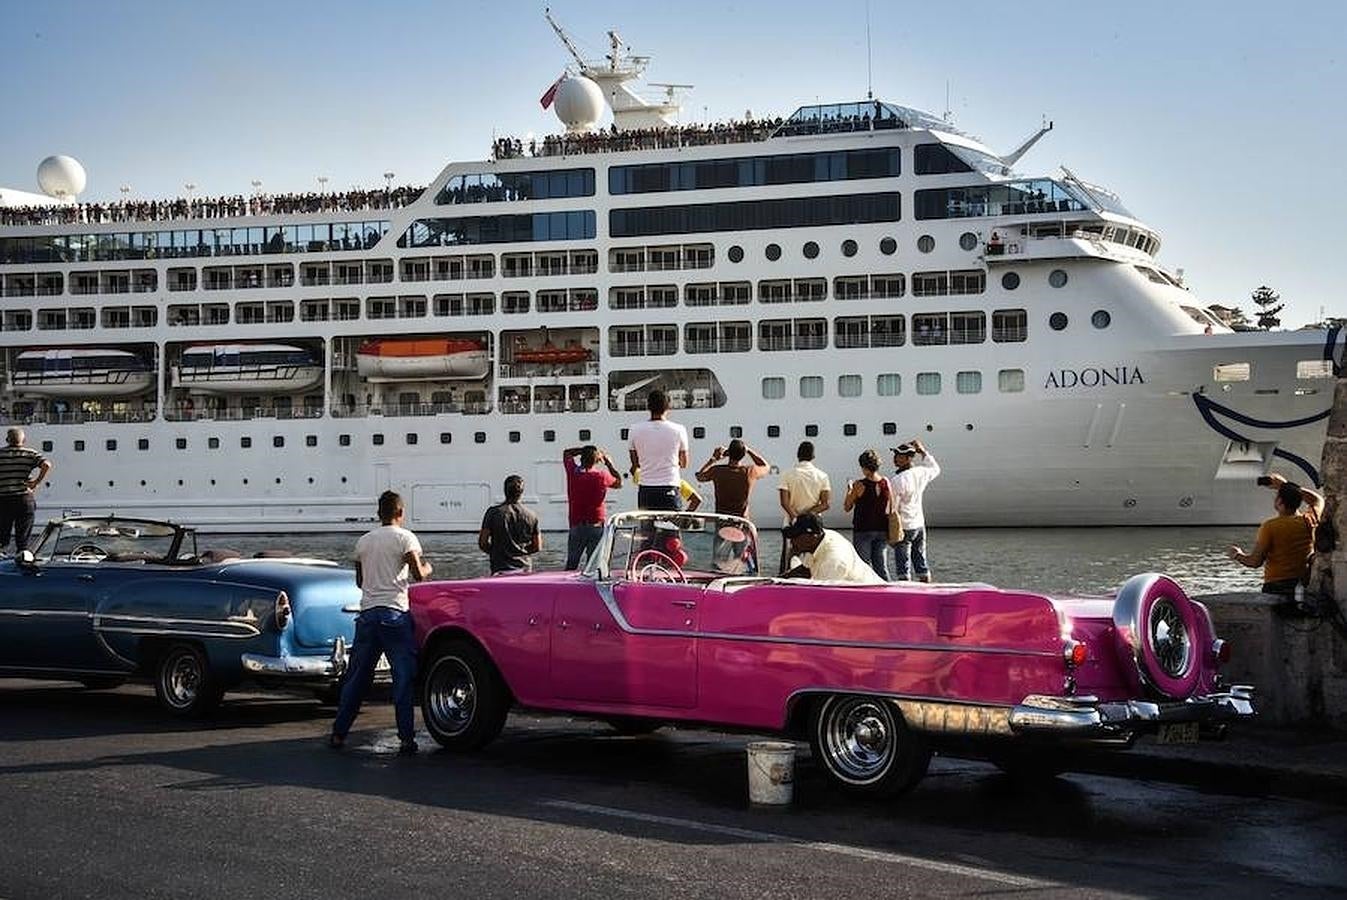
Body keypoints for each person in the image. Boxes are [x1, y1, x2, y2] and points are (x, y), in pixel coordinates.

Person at [330, 490, 432, 754]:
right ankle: (406, 738)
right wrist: (428, 567)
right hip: (395, 615)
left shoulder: (364, 542)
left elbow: (360, 582)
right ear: (401, 512)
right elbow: (419, 575)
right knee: (402, 677)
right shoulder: (405, 538)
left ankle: (339, 733)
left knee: (357, 678)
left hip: (367, 616)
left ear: (379, 513)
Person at [1227, 475, 1325, 597]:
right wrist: (1285, 485)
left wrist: (1237, 555)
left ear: (1279, 502)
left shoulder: (1270, 526)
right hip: (1302, 584)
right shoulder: (1309, 520)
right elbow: (1317, 500)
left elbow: (1255, 562)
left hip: (1275, 586)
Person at [781, 513, 885, 585]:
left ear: (813, 536)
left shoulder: (833, 560)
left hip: (872, 599)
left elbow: (821, 597)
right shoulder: (821, 538)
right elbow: (805, 569)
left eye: (796, 537)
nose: (792, 542)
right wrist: (777, 580)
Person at [562, 445, 622, 570]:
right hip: (596, 525)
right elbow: (618, 483)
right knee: (594, 566)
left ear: (581, 459)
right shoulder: (602, 476)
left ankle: (566, 588)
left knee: (572, 563)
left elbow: (567, 453)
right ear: (596, 461)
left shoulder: (573, 473)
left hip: (576, 524)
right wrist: (608, 463)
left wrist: (584, 451)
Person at [628, 389, 689, 511]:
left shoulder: (634, 429)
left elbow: (635, 464)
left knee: (647, 528)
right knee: (672, 527)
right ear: (668, 407)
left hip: (646, 488)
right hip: (670, 485)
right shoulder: (679, 430)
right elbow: (684, 463)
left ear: (648, 406)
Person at [890, 440, 940, 582]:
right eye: (895, 454)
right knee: (921, 563)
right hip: (919, 524)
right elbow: (935, 468)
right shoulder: (921, 472)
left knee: (903, 566)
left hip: (904, 526)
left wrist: (890, 531)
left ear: (908, 458)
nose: (895, 458)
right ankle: (928, 590)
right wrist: (923, 451)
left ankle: (906, 596)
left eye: (899, 455)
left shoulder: (898, 480)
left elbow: (893, 508)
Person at [0, 427, 53, 554]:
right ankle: (21, 561)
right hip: (24, 499)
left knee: (2, 536)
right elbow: (47, 465)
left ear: (7, 439)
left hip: (3, 500)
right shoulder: (30, 453)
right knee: (22, 540)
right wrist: (36, 482)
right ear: (24, 440)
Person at [843, 449, 893, 581]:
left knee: (862, 566)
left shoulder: (859, 485)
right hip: (882, 530)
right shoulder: (886, 482)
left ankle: (865, 595)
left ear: (864, 467)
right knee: (881, 567)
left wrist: (849, 490)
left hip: (863, 530)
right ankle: (887, 593)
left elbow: (847, 507)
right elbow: (891, 505)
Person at [479, 474, 541, 573]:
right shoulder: (532, 515)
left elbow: (483, 543)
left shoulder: (493, 513)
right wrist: (521, 552)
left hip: (500, 567)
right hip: (524, 569)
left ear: (505, 491)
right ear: (522, 492)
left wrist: (497, 552)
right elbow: (537, 546)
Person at [694, 438, 770, 519]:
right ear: (743, 454)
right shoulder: (749, 471)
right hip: (741, 521)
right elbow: (766, 467)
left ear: (729, 454)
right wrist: (748, 450)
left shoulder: (717, 471)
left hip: (722, 519)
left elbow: (699, 477)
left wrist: (713, 459)